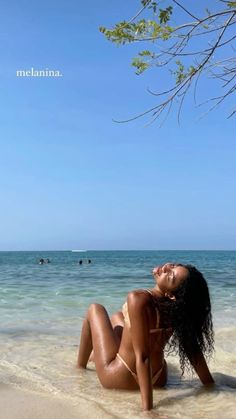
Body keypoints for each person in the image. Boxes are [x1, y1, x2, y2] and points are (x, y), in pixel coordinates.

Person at [77, 263, 214, 411]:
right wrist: (211, 385)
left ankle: (79, 367)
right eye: (173, 266)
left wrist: (148, 410)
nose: (167, 268)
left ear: (171, 295)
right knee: (118, 318)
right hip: (159, 377)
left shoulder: (138, 298)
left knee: (95, 308)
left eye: (171, 276)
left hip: (122, 376)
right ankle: (95, 356)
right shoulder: (177, 309)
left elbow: (142, 356)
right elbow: (193, 351)